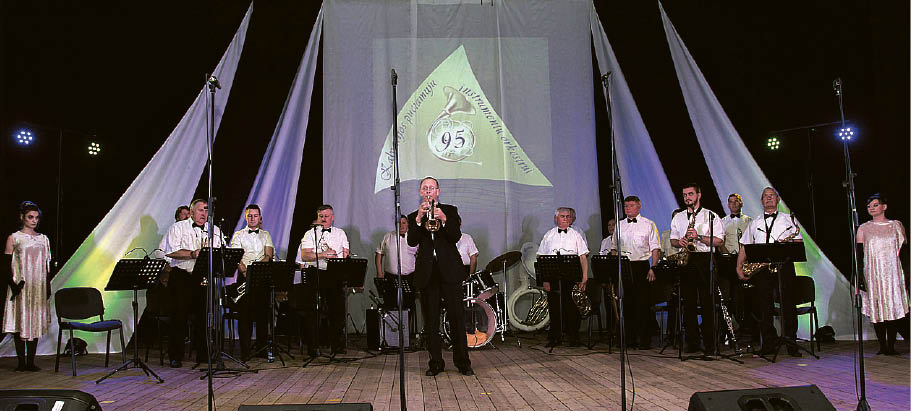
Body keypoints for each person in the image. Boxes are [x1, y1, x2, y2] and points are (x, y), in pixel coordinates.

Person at [407, 177, 473, 376]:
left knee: (457, 318)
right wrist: (418, 219)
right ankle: (435, 362)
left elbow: (455, 236)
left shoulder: (450, 211)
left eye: (431, 188)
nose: (428, 191)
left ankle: (463, 362)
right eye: (424, 188)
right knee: (431, 321)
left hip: (449, 271)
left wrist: (443, 219)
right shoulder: (414, 216)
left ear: (438, 191)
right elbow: (412, 242)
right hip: (428, 274)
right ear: (420, 192)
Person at [735, 187, 803, 357]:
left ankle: (791, 344)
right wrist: (739, 266)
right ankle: (768, 345)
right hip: (762, 270)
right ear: (761, 201)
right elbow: (745, 246)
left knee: (788, 306)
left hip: (784, 267)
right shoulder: (755, 222)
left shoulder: (788, 220)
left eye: (772, 195)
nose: (769, 198)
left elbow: (798, 242)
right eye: (765, 196)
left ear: (778, 199)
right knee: (764, 308)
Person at [161, 198, 225, 368]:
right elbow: (171, 251)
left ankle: (203, 354)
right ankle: (175, 355)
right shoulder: (178, 227)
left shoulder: (214, 230)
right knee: (179, 317)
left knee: (204, 317)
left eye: (206, 210)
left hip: (203, 277)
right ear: (191, 212)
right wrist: (192, 254)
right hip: (182, 276)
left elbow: (220, 251)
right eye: (200, 210)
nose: (204, 213)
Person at [670, 183, 724, 357]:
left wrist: (699, 237)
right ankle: (692, 342)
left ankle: (710, 344)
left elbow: (719, 241)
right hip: (687, 260)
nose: (687, 198)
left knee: (708, 303)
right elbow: (672, 240)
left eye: (690, 194)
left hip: (705, 259)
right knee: (688, 303)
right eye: (685, 195)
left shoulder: (711, 216)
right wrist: (680, 242)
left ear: (699, 195)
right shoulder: (678, 217)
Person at [857, 194, 909, 355]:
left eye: (875, 205)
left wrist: (906, 274)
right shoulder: (864, 228)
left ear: (884, 207)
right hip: (873, 273)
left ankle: (891, 346)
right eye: (869, 206)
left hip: (892, 273)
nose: (871, 208)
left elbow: (904, 251)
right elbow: (859, 254)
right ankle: (882, 345)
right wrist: (860, 276)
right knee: (877, 307)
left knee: (892, 307)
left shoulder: (895, 226)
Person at [606, 196, 661, 349]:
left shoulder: (648, 224)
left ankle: (644, 340)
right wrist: (615, 267)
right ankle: (628, 340)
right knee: (626, 304)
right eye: (626, 206)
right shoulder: (620, 225)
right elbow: (614, 248)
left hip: (641, 266)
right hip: (624, 266)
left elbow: (655, 248)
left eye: (631, 205)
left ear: (639, 206)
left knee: (642, 305)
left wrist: (653, 267)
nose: (628, 208)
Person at [3, 201, 50, 371]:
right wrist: (13, 284)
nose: (34, 220)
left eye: (36, 217)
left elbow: (46, 265)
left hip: (38, 286)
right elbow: (6, 264)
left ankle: (31, 361)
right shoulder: (14, 238)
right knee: (20, 320)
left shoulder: (43, 239)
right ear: (22, 217)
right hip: (21, 286)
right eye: (31, 217)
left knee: (34, 320)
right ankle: (21, 362)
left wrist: (47, 285)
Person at [296, 205, 349, 356]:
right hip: (315, 273)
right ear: (317, 217)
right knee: (313, 311)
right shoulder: (309, 234)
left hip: (334, 273)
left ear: (332, 217)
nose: (324, 219)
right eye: (321, 216)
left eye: (327, 216)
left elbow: (346, 253)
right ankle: (313, 347)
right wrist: (323, 254)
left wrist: (337, 258)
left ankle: (337, 346)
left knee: (337, 311)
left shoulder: (340, 233)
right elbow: (305, 256)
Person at [537, 207, 589, 348]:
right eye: (562, 216)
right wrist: (545, 279)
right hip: (553, 276)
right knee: (554, 307)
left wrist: (584, 277)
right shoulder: (549, 235)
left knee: (572, 307)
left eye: (567, 216)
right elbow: (541, 257)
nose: (565, 219)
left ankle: (573, 337)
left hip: (571, 275)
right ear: (556, 218)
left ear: (571, 219)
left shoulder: (576, 235)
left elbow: (582, 257)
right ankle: (555, 337)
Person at [229, 204, 274, 360]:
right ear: (245, 217)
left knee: (262, 315)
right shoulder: (238, 235)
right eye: (250, 215)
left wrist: (256, 269)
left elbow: (268, 255)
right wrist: (245, 271)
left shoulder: (266, 235)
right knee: (244, 316)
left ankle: (262, 350)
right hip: (244, 276)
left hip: (261, 276)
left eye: (255, 215)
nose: (253, 218)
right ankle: (245, 352)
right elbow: (236, 257)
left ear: (260, 217)